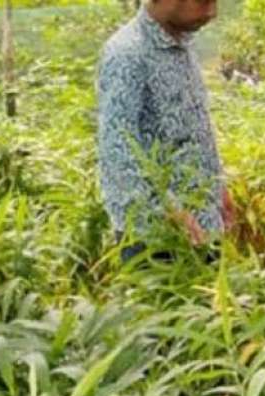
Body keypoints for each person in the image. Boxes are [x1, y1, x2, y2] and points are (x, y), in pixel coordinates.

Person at [98, 0, 233, 262]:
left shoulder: (182, 44)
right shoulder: (127, 54)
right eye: (203, 1)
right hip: (157, 237)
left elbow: (193, 127)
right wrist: (168, 211)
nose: (212, 13)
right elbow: (118, 152)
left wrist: (218, 187)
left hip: (202, 222)